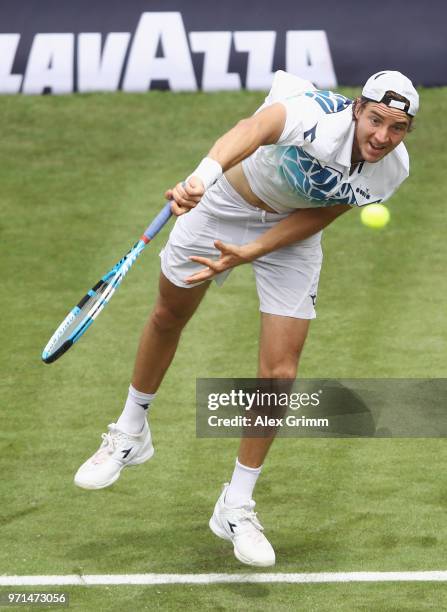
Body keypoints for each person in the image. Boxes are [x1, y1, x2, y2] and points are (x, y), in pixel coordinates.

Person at [74, 70, 418, 567]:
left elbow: (325, 212)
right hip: (220, 204)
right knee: (170, 314)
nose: (382, 137)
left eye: (397, 128)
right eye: (376, 120)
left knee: (280, 372)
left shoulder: (392, 170)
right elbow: (249, 130)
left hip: (290, 238)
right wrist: (201, 178)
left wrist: (253, 251)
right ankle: (130, 432)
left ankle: (235, 505)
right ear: (357, 109)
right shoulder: (315, 115)